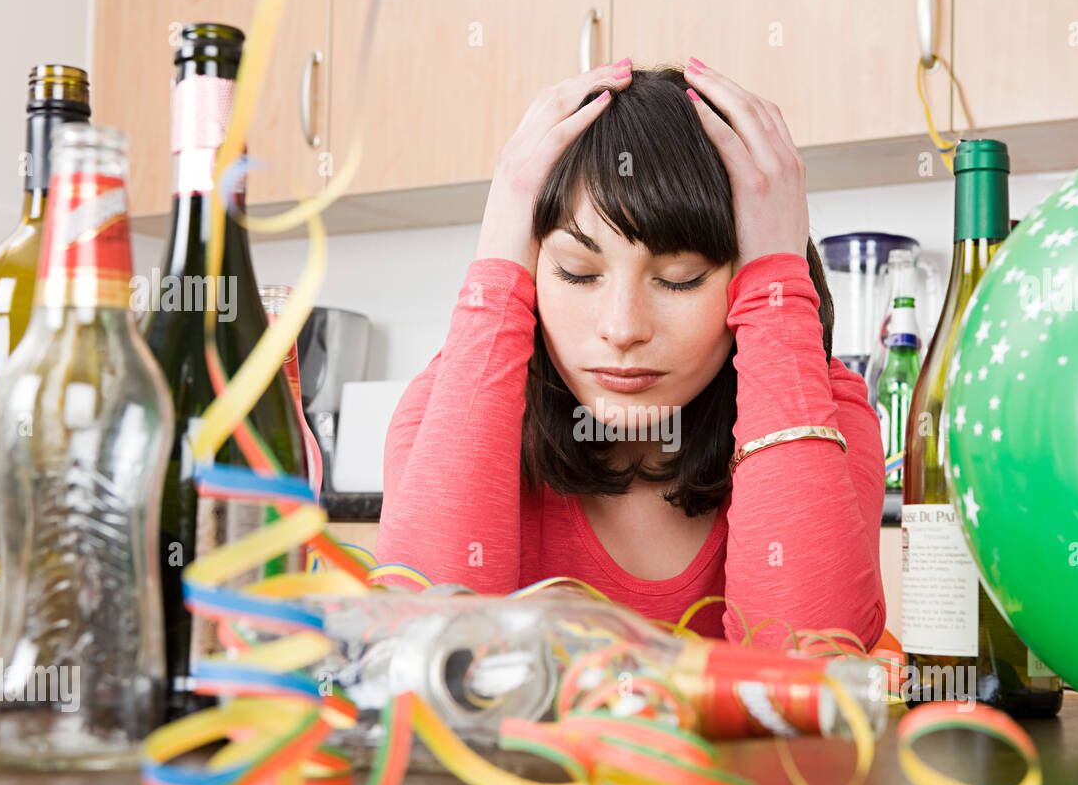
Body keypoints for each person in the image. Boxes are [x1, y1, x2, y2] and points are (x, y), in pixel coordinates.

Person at [375, 58, 886, 649]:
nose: (622, 329)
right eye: (576, 271)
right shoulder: (446, 407)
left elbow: (807, 674)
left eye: (680, 278)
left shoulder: (826, 416)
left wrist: (778, 291)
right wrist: (497, 260)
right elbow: (421, 669)